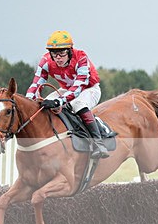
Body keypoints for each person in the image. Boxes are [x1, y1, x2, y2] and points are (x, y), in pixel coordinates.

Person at [25, 30, 108, 158]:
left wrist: (60, 101)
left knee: (78, 104)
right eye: (54, 54)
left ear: (70, 51)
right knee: (43, 104)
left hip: (89, 88)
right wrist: (28, 101)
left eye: (62, 53)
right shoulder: (45, 61)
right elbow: (36, 84)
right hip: (66, 89)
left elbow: (78, 88)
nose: (58, 58)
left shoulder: (81, 57)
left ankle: (99, 143)